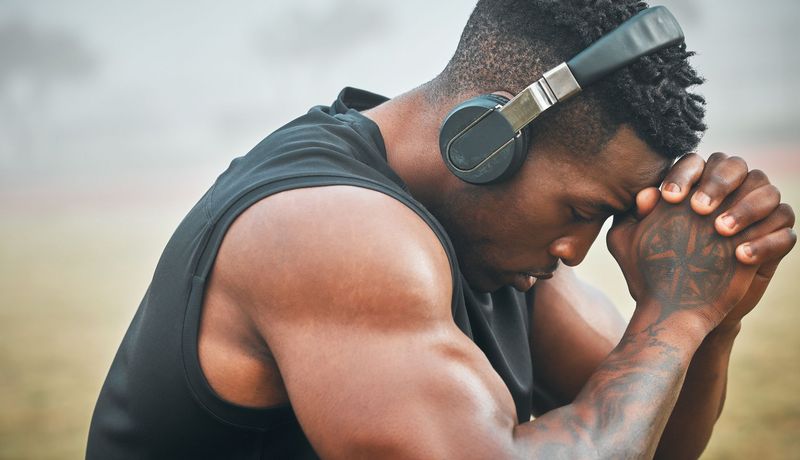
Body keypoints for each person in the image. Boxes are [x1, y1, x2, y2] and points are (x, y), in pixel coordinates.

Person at [87, 1, 796, 458]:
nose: (575, 251)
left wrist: (712, 315)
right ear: (483, 141)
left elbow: (647, 438)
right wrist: (674, 316)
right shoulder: (332, 233)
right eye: (579, 212)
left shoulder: (491, 244)